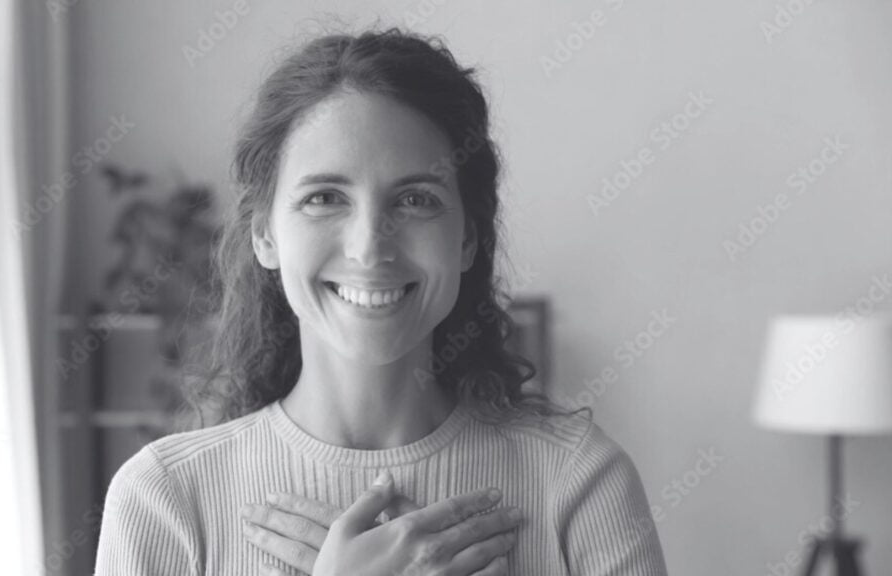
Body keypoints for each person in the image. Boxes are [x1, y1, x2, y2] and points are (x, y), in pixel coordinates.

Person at [94, 26, 669, 576]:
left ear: (467, 239)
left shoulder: (578, 481)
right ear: (264, 235)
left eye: (415, 199)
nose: (370, 247)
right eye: (325, 197)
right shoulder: (165, 498)